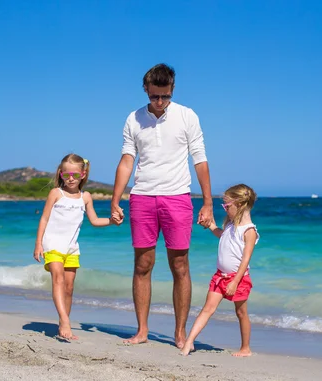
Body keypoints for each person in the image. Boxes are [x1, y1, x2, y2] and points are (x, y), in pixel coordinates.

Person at [110, 63, 214, 349]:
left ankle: (180, 333)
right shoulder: (133, 118)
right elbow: (127, 161)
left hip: (178, 196)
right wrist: (115, 199)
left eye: (165, 96)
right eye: (154, 96)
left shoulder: (187, 116)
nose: (159, 102)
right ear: (146, 90)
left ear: (172, 90)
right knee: (143, 264)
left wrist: (207, 202)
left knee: (179, 265)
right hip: (142, 197)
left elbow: (200, 159)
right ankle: (142, 330)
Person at [33, 153, 116, 340]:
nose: (71, 179)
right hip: (52, 243)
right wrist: (38, 243)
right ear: (61, 174)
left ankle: (64, 321)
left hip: (71, 247)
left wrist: (112, 221)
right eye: (66, 175)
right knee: (58, 279)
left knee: (69, 287)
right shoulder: (56, 193)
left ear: (83, 175)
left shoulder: (85, 197)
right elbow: (44, 218)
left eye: (75, 175)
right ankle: (64, 321)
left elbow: (94, 220)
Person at [180, 184, 259, 357]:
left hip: (238, 278)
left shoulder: (249, 231)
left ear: (239, 204)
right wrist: (210, 225)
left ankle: (245, 348)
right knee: (207, 309)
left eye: (227, 206)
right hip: (219, 277)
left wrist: (235, 282)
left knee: (241, 312)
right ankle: (189, 342)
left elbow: (246, 260)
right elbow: (221, 234)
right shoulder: (231, 225)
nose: (225, 209)